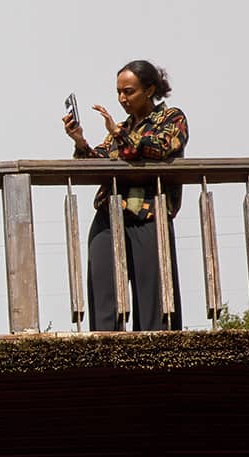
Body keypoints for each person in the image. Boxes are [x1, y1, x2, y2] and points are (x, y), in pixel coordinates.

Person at [66, 59, 189, 331]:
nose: (122, 98)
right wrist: (80, 141)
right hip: (110, 215)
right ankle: (105, 354)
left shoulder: (171, 118)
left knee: (154, 299)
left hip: (149, 215)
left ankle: (157, 358)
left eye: (129, 91)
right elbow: (98, 161)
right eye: (119, 92)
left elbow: (158, 149)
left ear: (149, 90)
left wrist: (120, 134)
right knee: (103, 288)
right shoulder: (121, 129)